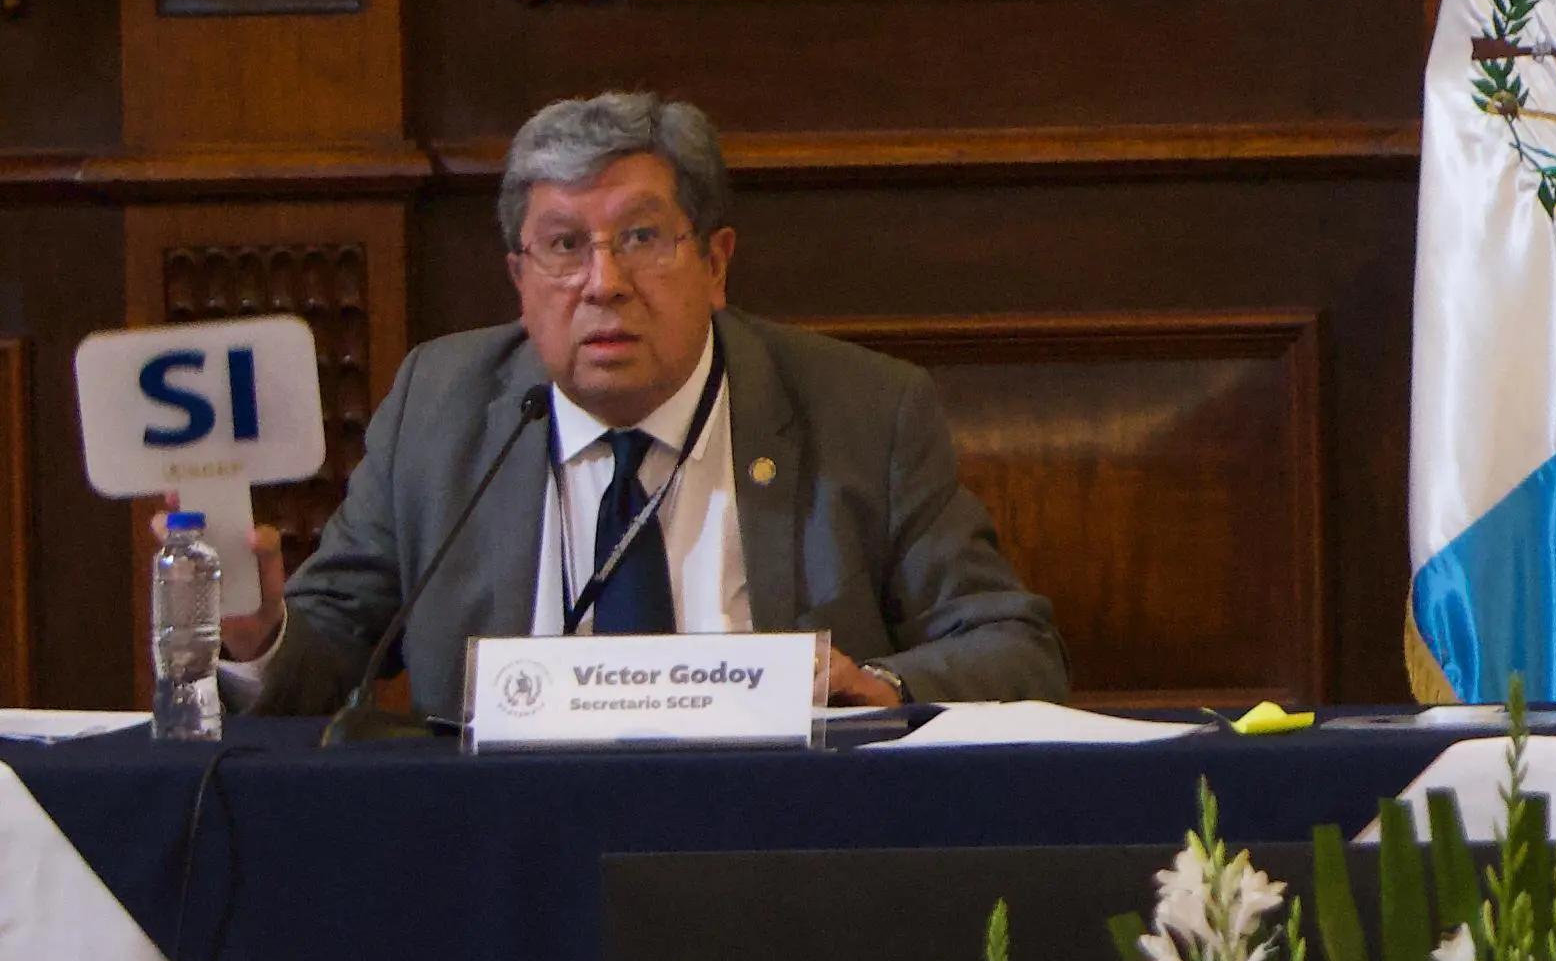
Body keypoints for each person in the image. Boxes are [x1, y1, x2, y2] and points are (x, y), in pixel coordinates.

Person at [214, 92, 1072, 721]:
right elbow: (327, 650)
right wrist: (258, 638)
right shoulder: (440, 407)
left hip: (772, 843)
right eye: (562, 246)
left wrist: (876, 684)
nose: (603, 283)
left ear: (716, 262)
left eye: (640, 238)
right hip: (503, 844)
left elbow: (1013, 650)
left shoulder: (863, 410)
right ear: (520, 279)